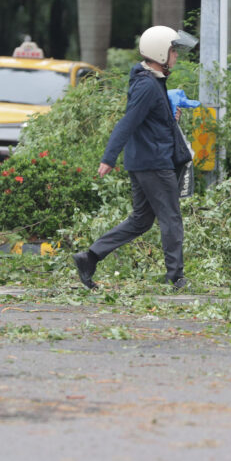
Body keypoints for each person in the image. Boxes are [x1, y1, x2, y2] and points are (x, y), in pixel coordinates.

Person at [73, 25, 197, 291]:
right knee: (171, 218)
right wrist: (109, 157)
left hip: (144, 160)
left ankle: (89, 257)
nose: (176, 56)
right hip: (154, 162)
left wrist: (169, 118)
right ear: (160, 53)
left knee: (141, 219)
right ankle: (176, 277)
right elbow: (128, 122)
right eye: (173, 51)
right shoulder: (148, 85)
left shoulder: (151, 81)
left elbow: (148, 121)